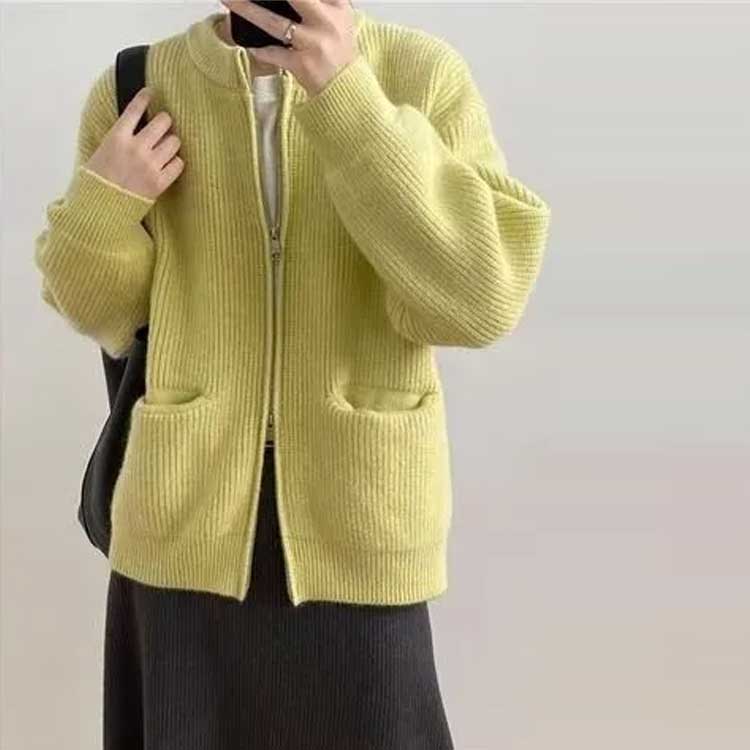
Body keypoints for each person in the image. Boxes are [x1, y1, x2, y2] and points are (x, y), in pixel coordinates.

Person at [33, 1, 551, 748]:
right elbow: (109, 317)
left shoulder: (419, 75)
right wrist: (107, 201)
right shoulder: (136, 87)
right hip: (180, 529)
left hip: (362, 524)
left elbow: (479, 300)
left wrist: (348, 98)